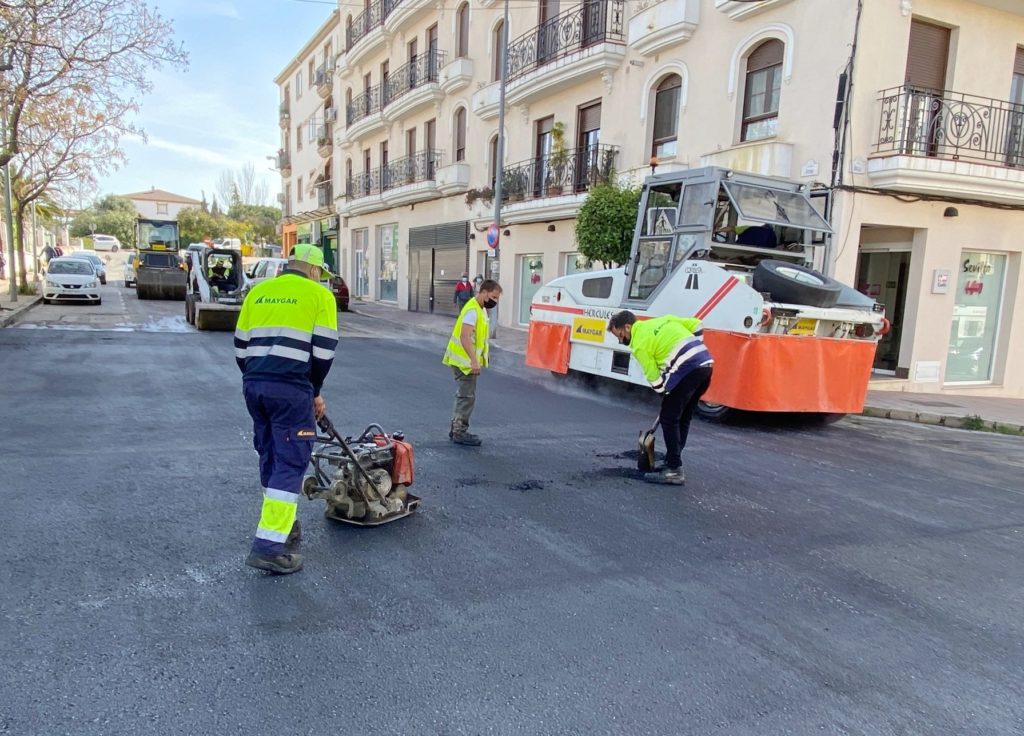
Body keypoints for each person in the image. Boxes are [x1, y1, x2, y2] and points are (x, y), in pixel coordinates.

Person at [234, 244, 339, 574]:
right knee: (292, 460)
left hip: (254, 385)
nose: (320, 279)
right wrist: (314, 392)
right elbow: (323, 353)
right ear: (313, 271)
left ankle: (284, 524)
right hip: (291, 390)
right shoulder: (319, 296)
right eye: (320, 274)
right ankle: (268, 546)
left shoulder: (259, 292)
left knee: (271, 454)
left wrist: (259, 378)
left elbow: (240, 347)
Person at [607, 311, 714, 485]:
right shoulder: (663, 320)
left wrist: (663, 392)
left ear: (627, 327)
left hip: (686, 370)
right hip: (705, 365)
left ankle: (674, 470)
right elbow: (697, 324)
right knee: (683, 416)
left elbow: (653, 376)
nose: (621, 340)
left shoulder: (639, 343)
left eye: (620, 335)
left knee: (669, 418)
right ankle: (673, 460)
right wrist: (696, 350)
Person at [442, 278, 502, 446]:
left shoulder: (480, 309)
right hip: (464, 361)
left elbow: (478, 337)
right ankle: (460, 432)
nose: (495, 301)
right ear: (483, 292)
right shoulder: (472, 310)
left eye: (497, 298)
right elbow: (465, 336)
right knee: (466, 397)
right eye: (494, 297)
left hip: (465, 359)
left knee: (464, 395)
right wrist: (474, 361)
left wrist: (483, 355)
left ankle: (455, 429)